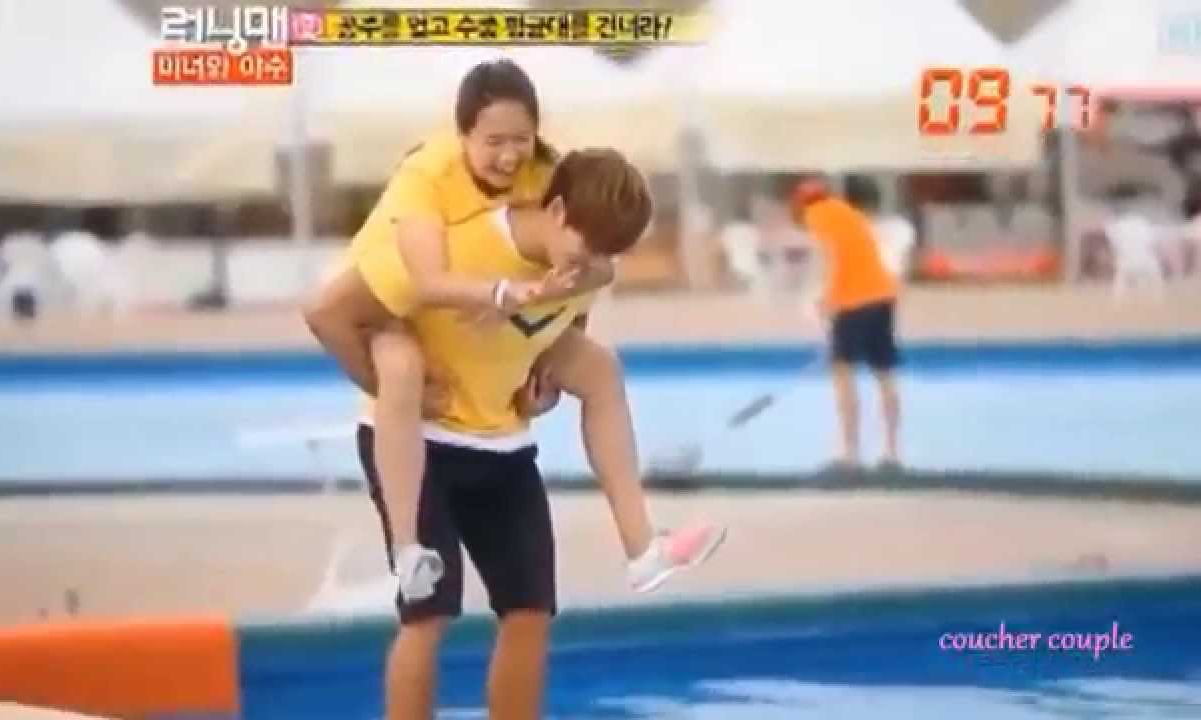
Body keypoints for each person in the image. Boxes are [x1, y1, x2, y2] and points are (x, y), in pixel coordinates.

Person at [304, 147, 727, 720]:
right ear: (556, 211)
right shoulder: (458, 247)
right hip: (419, 444)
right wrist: (387, 381)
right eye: (586, 250)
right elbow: (331, 312)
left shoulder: (590, 268)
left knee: (530, 612)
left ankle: (642, 547)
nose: (592, 267)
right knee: (428, 615)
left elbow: (558, 332)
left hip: (501, 444)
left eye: (606, 257)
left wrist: (543, 390)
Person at [313, 57, 719, 604]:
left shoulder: (548, 179)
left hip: (489, 303)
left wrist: (544, 365)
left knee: (601, 369)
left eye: (520, 141)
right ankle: (408, 550)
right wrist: (500, 299)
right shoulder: (428, 182)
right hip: (395, 301)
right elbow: (415, 286)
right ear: (464, 135)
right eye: (493, 142)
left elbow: (580, 283)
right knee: (402, 367)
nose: (508, 156)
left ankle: (642, 549)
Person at [790, 178, 902, 473]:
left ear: (800, 205)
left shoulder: (816, 216)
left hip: (853, 302)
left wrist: (825, 300)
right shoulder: (850, 213)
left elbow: (830, 258)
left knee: (842, 375)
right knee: (884, 375)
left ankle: (850, 455)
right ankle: (891, 453)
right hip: (883, 297)